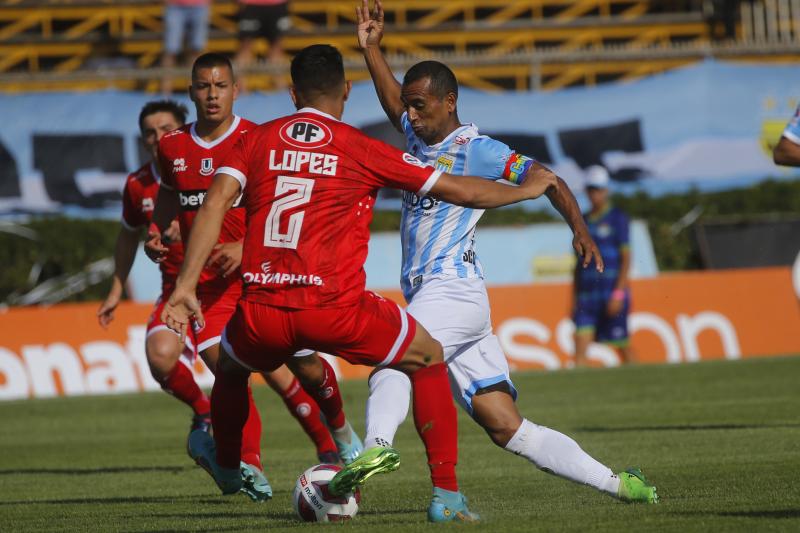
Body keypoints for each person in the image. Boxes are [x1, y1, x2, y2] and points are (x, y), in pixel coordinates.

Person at [161, 44, 559, 521]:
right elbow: (460, 188)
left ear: (292, 93)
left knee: (229, 369)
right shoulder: (359, 146)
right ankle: (447, 496)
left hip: (263, 309)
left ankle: (228, 466)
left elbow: (213, 205)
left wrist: (185, 286)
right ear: (347, 90)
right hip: (335, 309)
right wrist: (527, 190)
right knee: (426, 356)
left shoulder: (255, 140)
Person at [355, 0, 657, 505]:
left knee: (393, 360)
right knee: (505, 426)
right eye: (408, 106)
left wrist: (578, 229)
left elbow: (547, 178)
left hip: (452, 289)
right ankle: (619, 485)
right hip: (448, 300)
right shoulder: (418, 131)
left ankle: (372, 450)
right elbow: (390, 101)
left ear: (449, 102)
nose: (408, 115)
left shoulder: (478, 149)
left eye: (419, 106)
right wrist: (372, 49)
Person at [146, 53, 355, 501]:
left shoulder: (259, 139)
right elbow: (168, 195)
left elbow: (281, 204)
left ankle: (340, 435)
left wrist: (245, 247)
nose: (212, 94)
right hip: (209, 291)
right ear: (191, 92)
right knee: (230, 375)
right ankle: (246, 464)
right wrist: (156, 231)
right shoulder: (172, 147)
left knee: (303, 364)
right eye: (203, 86)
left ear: (236, 90)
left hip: (264, 277)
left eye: (221, 86)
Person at [98, 101, 212, 439]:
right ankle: (205, 413)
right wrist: (116, 290)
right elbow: (127, 236)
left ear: (182, 129)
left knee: (271, 371)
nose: (157, 137)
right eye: (149, 132)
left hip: (221, 288)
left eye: (165, 129)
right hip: (175, 292)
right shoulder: (138, 184)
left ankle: (331, 438)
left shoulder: (210, 169)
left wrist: (190, 228)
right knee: (160, 357)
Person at [573, 166, 634, 367]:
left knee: (623, 347)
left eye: (598, 189)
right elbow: (577, 262)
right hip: (587, 295)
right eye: (591, 189)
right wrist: (575, 297)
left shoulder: (618, 218)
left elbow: (626, 258)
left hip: (611, 292)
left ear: (606, 190)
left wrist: (619, 293)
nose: (594, 194)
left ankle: (643, 386)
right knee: (580, 351)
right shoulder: (583, 221)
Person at [235, 0, 291, 90]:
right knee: (245, 47)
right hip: (251, 4)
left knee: (277, 48)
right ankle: (241, 88)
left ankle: (280, 89)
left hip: (278, 4)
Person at [161, 0, 211, 94]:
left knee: (196, 50)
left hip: (200, 5)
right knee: (170, 50)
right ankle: (165, 94)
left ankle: (194, 92)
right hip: (174, 5)